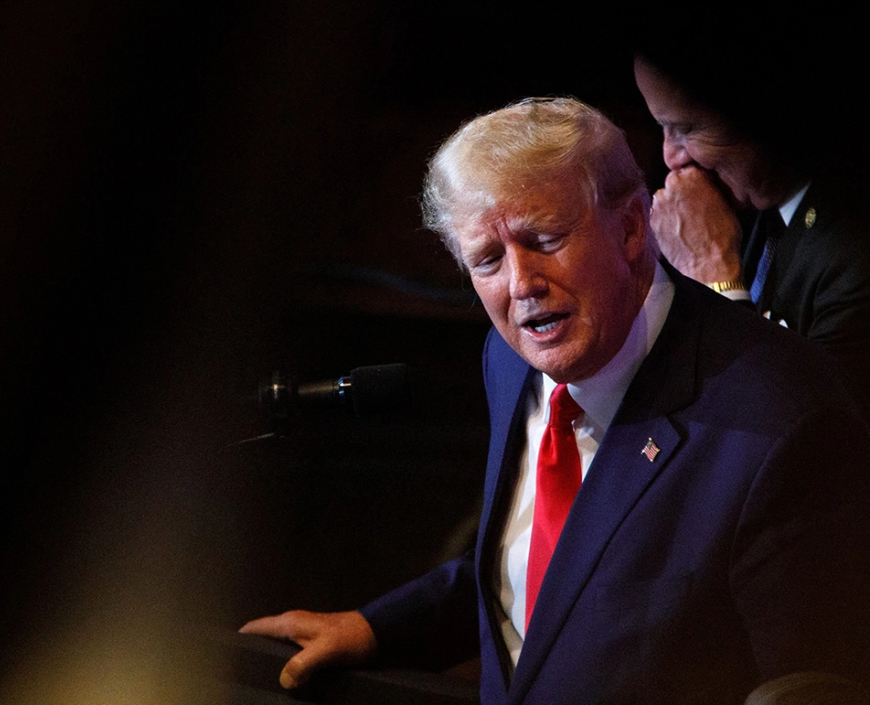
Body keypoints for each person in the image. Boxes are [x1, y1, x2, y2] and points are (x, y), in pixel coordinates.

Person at [240, 97, 870, 703]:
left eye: (543, 240)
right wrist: (378, 628)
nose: (521, 285)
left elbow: (812, 688)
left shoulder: (785, 421)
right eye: (487, 260)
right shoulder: (508, 357)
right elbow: (545, 570)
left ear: (630, 227)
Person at [633, 50, 870, 414]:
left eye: (687, 129)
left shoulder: (853, 254)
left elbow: (804, 429)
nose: (671, 157)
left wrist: (712, 274)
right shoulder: (748, 210)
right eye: (662, 128)